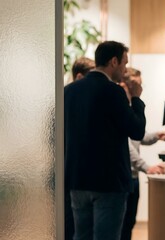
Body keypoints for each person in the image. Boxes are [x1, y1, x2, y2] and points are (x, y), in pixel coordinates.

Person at [64, 41, 146, 240]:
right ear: (114, 61)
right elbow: (136, 131)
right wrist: (136, 99)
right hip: (108, 182)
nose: (125, 70)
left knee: (81, 236)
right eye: (124, 64)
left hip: (77, 179)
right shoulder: (113, 91)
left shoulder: (69, 91)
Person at [120, 67, 165, 240]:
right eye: (137, 85)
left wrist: (156, 135)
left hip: (132, 177)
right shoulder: (121, 106)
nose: (140, 89)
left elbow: (138, 135)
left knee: (128, 223)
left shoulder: (130, 106)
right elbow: (126, 146)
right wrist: (147, 167)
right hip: (124, 177)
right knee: (122, 225)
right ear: (126, 85)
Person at [65, 57, 96, 240]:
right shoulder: (66, 101)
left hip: (76, 174)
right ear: (78, 77)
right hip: (70, 175)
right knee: (72, 226)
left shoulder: (68, 98)